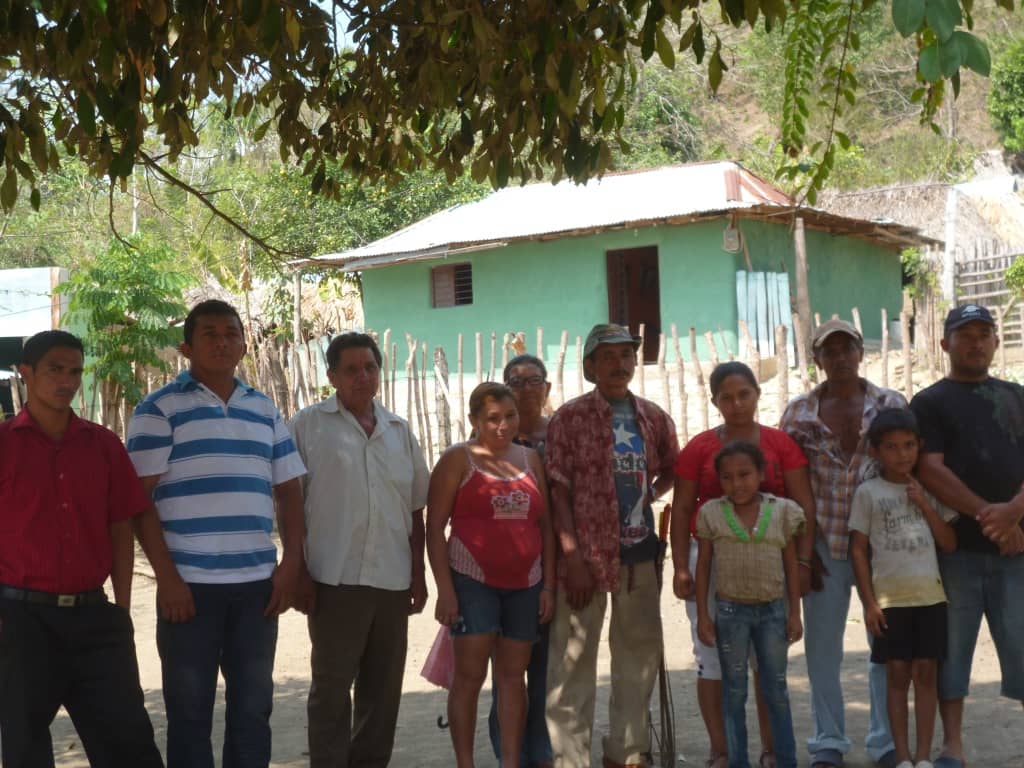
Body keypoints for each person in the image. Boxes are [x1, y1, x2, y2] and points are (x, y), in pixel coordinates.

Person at [127, 299, 309, 768]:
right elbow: (138, 503)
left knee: (254, 710)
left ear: (244, 345)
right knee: (189, 715)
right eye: (209, 334)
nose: (222, 342)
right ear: (186, 347)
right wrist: (168, 580)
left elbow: (289, 491)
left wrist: (291, 563)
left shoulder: (263, 409)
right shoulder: (158, 409)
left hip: (257, 588)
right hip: (189, 590)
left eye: (231, 333)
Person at [0, 331, 164, 768]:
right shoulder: (4, 444)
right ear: (26, 373)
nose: (67, 381)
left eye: (75, 371)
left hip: (95, 618)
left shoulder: (103, 444)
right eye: (55, 369)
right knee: (24, 749)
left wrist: (122, 609)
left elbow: (121, 526)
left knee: (130, 745)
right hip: (20, 621)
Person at [289, 332, 430, 768]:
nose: (362, 377)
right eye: (350, 370)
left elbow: (415, 509)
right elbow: (289, 503)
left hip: (392, 579)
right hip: (334, 580)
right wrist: (298, 571)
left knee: (382, 692)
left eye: (369, 368)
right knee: (331, 691)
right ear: (331, 376)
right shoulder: (307, 426)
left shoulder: (399, 431)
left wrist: (418, 573)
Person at [544, 323, 679, 768]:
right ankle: (571, 759)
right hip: (584, 560)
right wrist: (571, 556)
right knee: (572, 665)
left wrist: (648, 495)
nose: (619, 364)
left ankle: (627, 753)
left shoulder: (653, 417)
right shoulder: (569, 418)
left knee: (637, 660)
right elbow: (558, 491)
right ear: (590, 367)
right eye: (608, 357)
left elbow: (673, 466)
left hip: (639, 557)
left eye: (626, 356)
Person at [672, 361, 817, 768]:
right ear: (714, 401)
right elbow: (681, 509)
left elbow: (804, 504)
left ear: (757, 394)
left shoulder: (780, 445)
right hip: (711, 559)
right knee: (712, 658)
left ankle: (771, 749)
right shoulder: (699, 448)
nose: (736, 404)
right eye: (726, 397)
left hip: (771, 560)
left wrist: (803, 561)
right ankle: (722, 751)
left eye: (744, 395)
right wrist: (681, 566)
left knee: (765, 665)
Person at [780, 318, 905, 768]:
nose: (839, 358)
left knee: (884, 647)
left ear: (860, 352)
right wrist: (802, 553)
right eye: (829, 351)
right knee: (822, 651)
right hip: (824, 548)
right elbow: (787, 486)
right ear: (816, 360)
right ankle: (827, 742)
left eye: (846, 348)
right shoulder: (798, 413)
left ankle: (884, 741)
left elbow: (908, 467)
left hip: (882, 548)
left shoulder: (890, 404)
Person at [909, 304, 1024, 768]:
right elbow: (929, 469)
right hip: (955, 551)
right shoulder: (929, 403)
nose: (976, 343)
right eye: (965, 335)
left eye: (984, 334)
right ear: (945, 344)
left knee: (1022, 643)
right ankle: (952, 745)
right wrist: (989, 516)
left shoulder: (1018, 396)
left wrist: (1014, 512)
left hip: (1017, 549)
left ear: (996, 342)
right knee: (952, 651)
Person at [427, 382, 556, 768]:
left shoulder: (530, 459)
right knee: (469, 677)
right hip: (473, 583)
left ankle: (510, 763)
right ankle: (466, 763)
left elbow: (546, 527)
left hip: (526, 585)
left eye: (510, 416)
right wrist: (446, 590)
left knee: (513, 678)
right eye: (492, 418)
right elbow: (434, 528)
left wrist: (548, 585)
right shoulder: (458, 460)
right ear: (474, 420)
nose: (503, 426)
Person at [849, 408, 958, 768]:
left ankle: (923, 756)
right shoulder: (868, 493)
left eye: (909, 445)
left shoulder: (929, 488)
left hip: (930, 597)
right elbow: (858, 550)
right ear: (876, 451)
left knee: (926, 673)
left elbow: (949, 543)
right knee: (896, 675)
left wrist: (924, 503)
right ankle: (903, 757)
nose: (902, 454)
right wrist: (869, 603)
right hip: (890, 601)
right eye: (891, 447)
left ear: (919, 445)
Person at [695, 441, 805, 768]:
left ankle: (785, 759)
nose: (737, 484)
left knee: (776, 689)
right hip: (730, 613)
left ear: (761, 474)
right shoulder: (711, 513)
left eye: (744, 474)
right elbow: (703, 565)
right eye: (727, 477)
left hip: (773, 612)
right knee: (734, 692)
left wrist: (794, 613)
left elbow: (790, 565)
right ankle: (737, 761)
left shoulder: (782, 511)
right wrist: (703, 615)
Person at [488, 354, 554, 768]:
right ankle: (509, 755)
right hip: (505, 572)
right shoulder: (490, 442)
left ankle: (542, 753)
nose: (526, 388)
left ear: (547, 387)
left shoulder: (561, 435)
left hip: (552, 566)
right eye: (516, 381)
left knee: (546, 670)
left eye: (534, 380)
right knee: (508, 671)